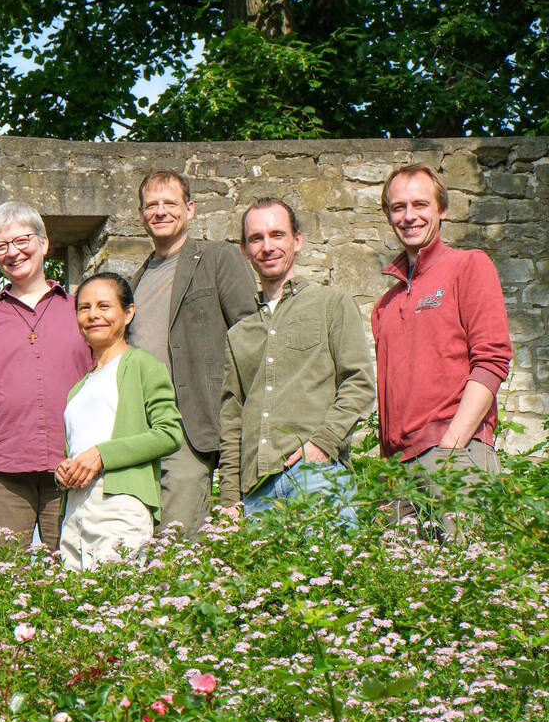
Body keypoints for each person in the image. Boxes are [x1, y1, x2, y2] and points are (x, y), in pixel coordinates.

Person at [372, 163, 512, 536]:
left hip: (457, 456)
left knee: (471, 582)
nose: (409, 216)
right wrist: (387, 477)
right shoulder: (385, 304)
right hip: (399, 474)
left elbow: (493, 360)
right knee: (406, 591)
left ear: (442, 210)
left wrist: (451, 447)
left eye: (420, 204)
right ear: (388, 215)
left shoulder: (468, 266)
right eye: (398, 207)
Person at [0, 201, 92, 550]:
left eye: (22, 240)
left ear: (44, 243)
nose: (13, 252)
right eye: (1, 246)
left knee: (83, 578)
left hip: (73, 467)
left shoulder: (81, 309)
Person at [218, 199, 374, 522]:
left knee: (331, 573)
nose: (267, 246)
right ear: (244, 250)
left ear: (297, 241)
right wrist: (230, 499)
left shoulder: (331, 304)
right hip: (256, 494)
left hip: (316, 476)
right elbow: (232, 420)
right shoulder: (238, 334)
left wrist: (321, 444)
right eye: (256, 238)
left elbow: (358, 384)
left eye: (277, 235)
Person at [129, 170, 257, 537]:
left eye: (169, 203)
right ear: (141, 215)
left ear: (190, 209)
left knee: (177, 536)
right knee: (149, 536)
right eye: (151, 205)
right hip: (148, 425)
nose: (160, 211)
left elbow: (250, 335)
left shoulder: (217, 258)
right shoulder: (135, 281)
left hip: (195, 418)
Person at [56, 273, 182, 570]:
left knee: (116, 602)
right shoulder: (79, 387)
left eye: (104, 306)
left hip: (119, 504)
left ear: (128, 313)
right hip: (75, 510)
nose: (93, 315)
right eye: (84, 308)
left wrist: (102, 455)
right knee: (77, 610)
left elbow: (169, 433)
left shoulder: (142, 365)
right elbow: (75, 451)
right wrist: (63, 470)